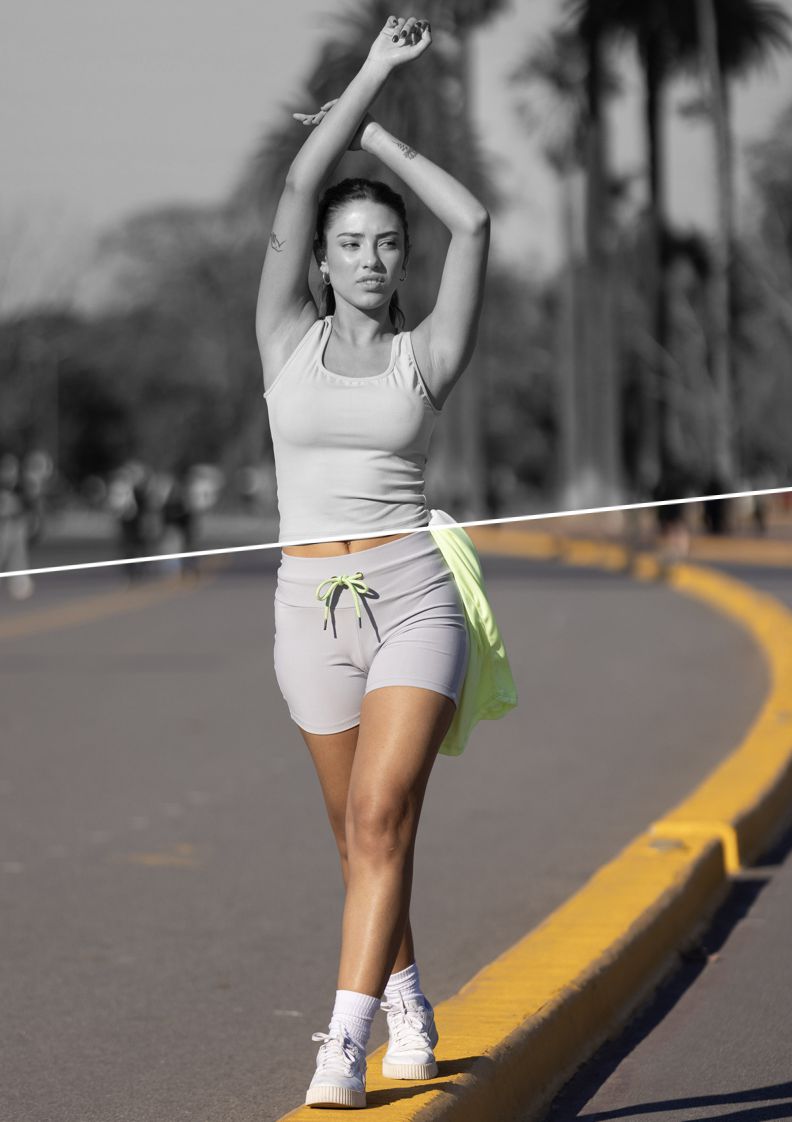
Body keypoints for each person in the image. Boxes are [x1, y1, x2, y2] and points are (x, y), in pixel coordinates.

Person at [256, 15, 492, 1109]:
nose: (369, 258)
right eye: (349, 243)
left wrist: (384, 141)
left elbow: (473, 219)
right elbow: (300, 182)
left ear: (403, 259)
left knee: (382, 816)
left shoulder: (425, 353)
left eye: (387, 243)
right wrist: (368, 80)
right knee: (356, 838)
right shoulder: (283, 337)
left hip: (413, 600)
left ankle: (341, 1046)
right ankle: (404, 1000)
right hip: (308, 610)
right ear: (318, 260)